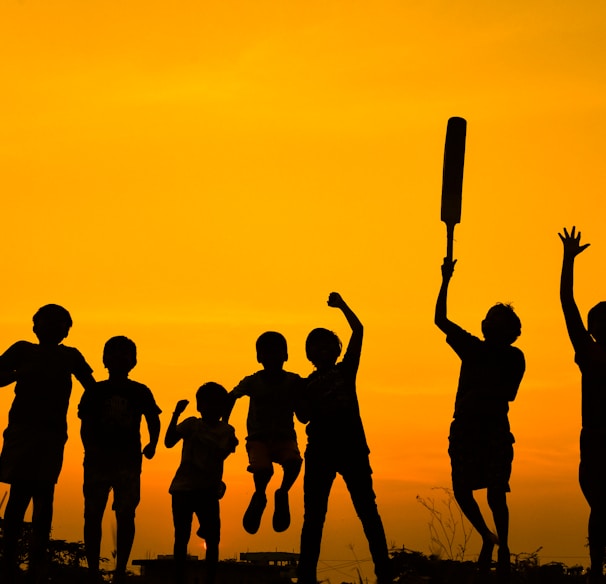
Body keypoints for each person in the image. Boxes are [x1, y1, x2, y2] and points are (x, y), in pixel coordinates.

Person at [435, 257, 525, 579]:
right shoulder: (471, 347)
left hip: (494, 430)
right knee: (461, 490)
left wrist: (479, 395)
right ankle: (488, 536)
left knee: (496, 492)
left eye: (499, 319)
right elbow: (440, 319)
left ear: (512, 332)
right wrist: (446, 279)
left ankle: (504, 547)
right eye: (489, 317)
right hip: (464, 430)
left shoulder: (514, 356)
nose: (492, 322)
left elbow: (509, 393)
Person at [295, 292, 393, 584]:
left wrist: (342, 306)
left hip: (352, 449)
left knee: (367, 511)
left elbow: (359, 330)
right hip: (320, 451)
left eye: (328, 346)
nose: (323, 351)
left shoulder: (346, 370)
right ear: (310, 354)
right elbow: (302, 416)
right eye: (317, 347)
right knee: (314, 517)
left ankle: (384, 572)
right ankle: (306, 576)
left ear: (336, 351)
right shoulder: (306, 384)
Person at [0, 304, 96, 584]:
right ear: (35, 327)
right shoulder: (22, 350)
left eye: (60, 323)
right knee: (19, 495)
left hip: (52, 433)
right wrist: (19, 374)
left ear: (67, 331)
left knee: (44, 494)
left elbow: (91, 388)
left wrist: (88, 411)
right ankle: (9, 560)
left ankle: (36, 560)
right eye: (47, 322)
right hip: (23, 431)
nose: (53, 327)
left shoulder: (70, 356)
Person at [78, 336, 161, 584]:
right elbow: (85, 423)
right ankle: (94, 569)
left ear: (134, 360)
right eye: (113, 354)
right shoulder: (95, 390)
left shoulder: (139, 390)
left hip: (128, 461)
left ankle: (120, 569)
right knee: (92, 514)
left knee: (126, 515)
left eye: (125, 354)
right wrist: (89, 448)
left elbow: (153, 419)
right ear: (104, 359)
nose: (119, 359)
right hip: (97, 461)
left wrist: (153, 443)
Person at [558, 226, 606, 582]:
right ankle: (595, 569)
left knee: (601, 508)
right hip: (595, 439)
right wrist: (567, 261)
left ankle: (595, 569)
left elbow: (569, 305)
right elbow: (567, 303)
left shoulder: (589, 352)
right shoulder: (588, 353)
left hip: (595, 438)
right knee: (601, 507)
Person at [226, 331, 302, 534]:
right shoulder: (253, 381)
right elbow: (231, 397)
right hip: (258, 438)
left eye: (277, 353)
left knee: (294, 462)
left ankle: (282, 492)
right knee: (263, 470)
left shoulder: (293, 381)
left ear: (286, 355)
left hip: (284, 437)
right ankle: (260, 495)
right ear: (259, 357)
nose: (272, 358)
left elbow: (305, 402)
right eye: (267, 353)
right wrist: (225, 424)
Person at [165, 382, 238, 584]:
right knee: (182, 536)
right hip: (184, 489)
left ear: (223, 408)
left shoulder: (227, 431)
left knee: (213, 539)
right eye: (207, 404)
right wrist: (175, 415)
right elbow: (169, 441)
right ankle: (180, 577)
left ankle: (210, 579)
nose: (212, 408)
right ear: (199, 406)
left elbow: (221, 453)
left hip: (206, 491)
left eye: (217, 405)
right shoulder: (191, 424)